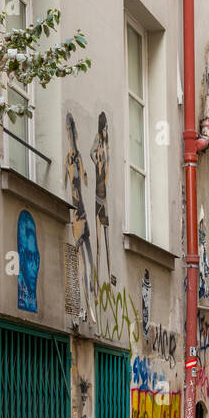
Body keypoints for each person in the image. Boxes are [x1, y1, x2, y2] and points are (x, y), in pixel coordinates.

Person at [63, 113, 96, 324]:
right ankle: (85, 306)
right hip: (76, 213)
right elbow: (66, 183)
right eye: (70, 131)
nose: (71, 134)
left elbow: (84, 180)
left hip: (81, 210)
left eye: (71, 130)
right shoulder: (69, 158)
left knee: (90, 260)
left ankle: (92, 301)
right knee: (81, 260)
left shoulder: (75, 158)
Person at [90, 112, 111, 290]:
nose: (106, 131)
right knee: (99, 236)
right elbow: (91, 152)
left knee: (106, 233)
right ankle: (97, 279)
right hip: (98, 193)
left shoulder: (106, 145)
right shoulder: (99, 140)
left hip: (104, 196)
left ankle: (108, 274)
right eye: (105, 128)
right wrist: (98, 162)